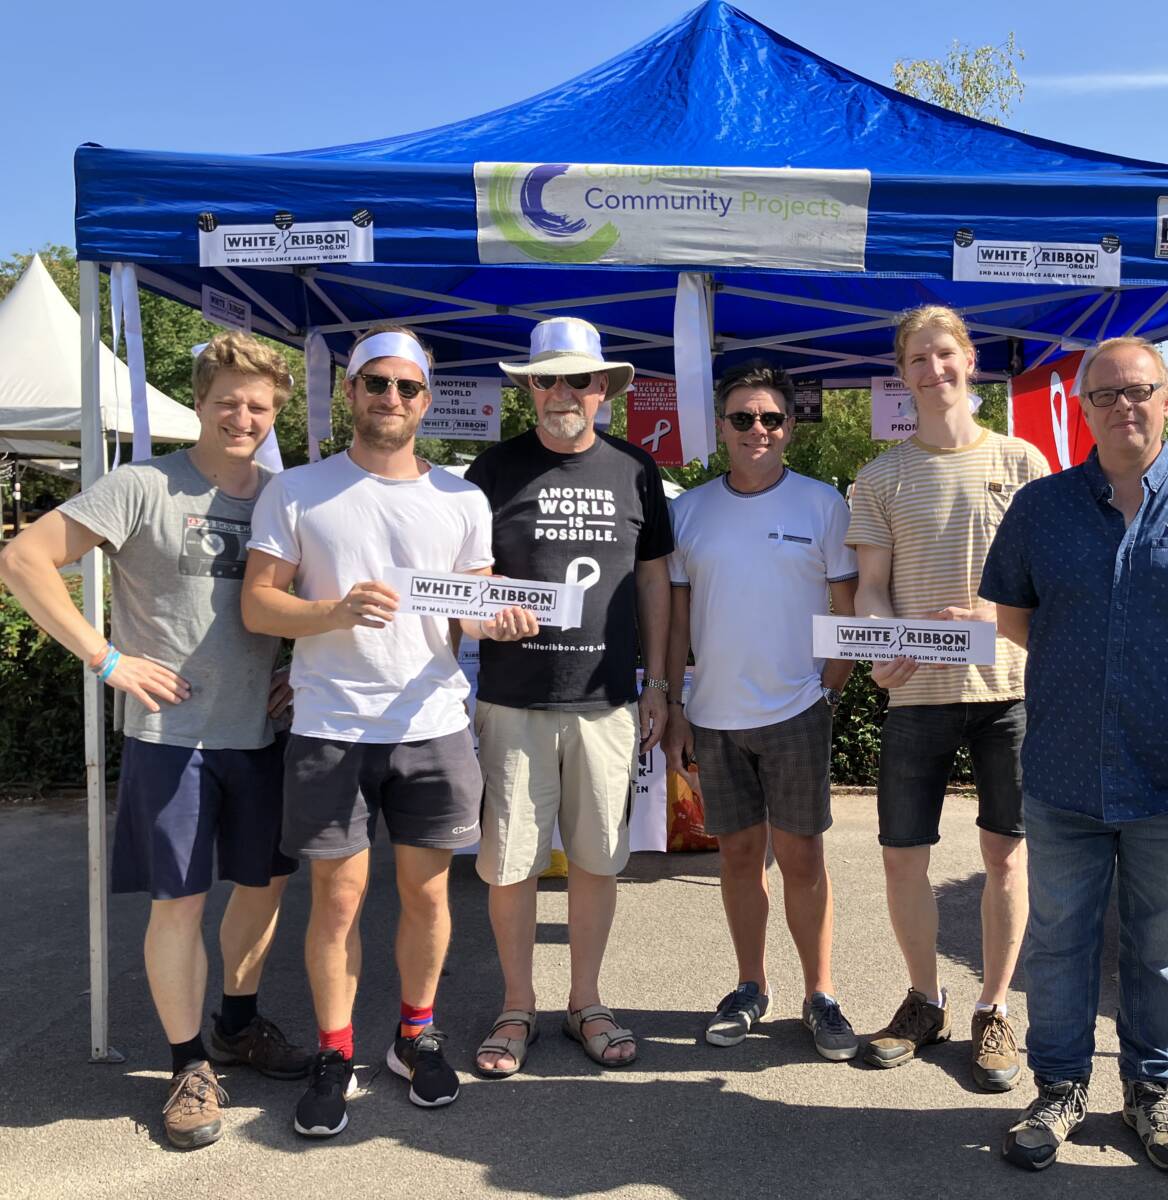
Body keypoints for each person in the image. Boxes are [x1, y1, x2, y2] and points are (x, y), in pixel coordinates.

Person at [0, 332, 310, 1149]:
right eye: (229, 401)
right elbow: (24, 559)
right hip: (173, 736)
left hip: (264, 734)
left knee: (264, 888)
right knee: (180, 902)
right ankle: (187, 1068)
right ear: (202, 402)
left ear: (274, 414)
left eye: (260, 406)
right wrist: (106, 658)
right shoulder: (142, 484)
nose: (243, 416)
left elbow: (315, 603)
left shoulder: (286, 496)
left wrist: (302, 673)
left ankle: (235, 1029)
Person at [981, 335, 1168, 1176]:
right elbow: (1015, 617)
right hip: (1067, 768)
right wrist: (1091, 666)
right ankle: (1061, 1089)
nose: (1125, 406)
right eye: (1106, 394)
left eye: (1140, 390)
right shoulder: (1042, 507)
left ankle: (1151, 1093)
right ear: (1082, 408)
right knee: (1060, 942)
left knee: (1160, 948)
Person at [242, 326, 530, 1139]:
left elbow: (474, 604)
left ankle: (413, 1035)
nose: (392, 400)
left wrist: (502, 620)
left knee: (428, 893)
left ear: (427, 401)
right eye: (377, 384)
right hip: (331, 725)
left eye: (407, 388)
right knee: (336, 900)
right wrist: (330, 612)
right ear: (352, 393)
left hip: (432, 724)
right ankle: (338, 1053)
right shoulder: (296, 490)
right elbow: (259, 603)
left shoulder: (460, 499)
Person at [846, 305, 1049, 1090]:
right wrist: (880, 642)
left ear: (970, 362)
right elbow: (868, 589)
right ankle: (924, 1000)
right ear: (902, 377)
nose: (934, 372)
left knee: (1006, 856)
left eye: (945, 355)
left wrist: (996, 618)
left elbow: (1046, 589)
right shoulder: (881, 476)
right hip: (917, 696)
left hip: (1008, 692)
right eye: (918, 361)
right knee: (903, 858)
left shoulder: (1023, 462)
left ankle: (995, 1011)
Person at [465, 317, 673, 1076]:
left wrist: (660, 685)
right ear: (528, 388)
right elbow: (465, 574)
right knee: (511, 861)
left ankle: (585, 1000)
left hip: (607, 700)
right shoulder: (490, 471)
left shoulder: (635, 469)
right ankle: (516, 1006)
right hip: (513, 699)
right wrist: (485, 608)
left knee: (596, 860)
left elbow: (653, 579)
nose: (562, 392)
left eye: (577, 379)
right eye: (547, 378)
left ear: (602, 389)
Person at [662, 361, 861, 1061]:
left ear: (790, 428)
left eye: (771, 418)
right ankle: (751, 986)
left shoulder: (822, 504)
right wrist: (675, 705)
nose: (757, 430)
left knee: (804, 858)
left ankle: (820, 995)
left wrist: (828, 691)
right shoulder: (687, 509)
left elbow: (849, 610)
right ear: (720, 427)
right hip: (713, 716)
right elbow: (677, 623)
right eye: (743, 418)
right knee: (740, 857)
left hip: (797, 711)